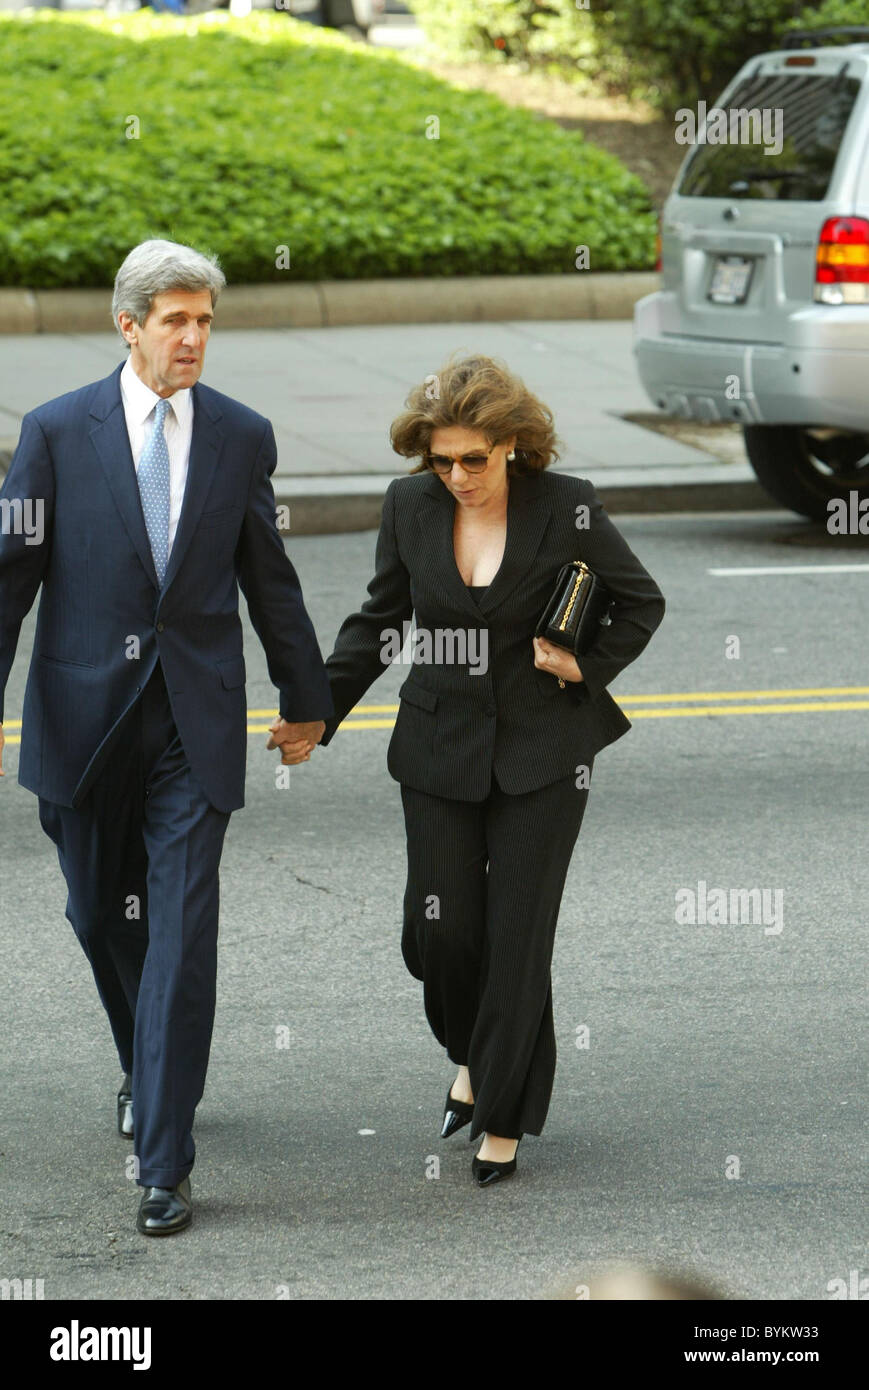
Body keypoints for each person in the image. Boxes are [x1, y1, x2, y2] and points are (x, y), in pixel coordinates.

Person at [0, 238, 332, 1235]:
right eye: (175, 320)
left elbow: (267, 575)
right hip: (83, 722)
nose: (193, 339)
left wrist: (304, 694)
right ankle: (142, 1064)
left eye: (204, 321)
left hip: (194, 721)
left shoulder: (240, 435)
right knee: (102, 916)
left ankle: (163, 1155)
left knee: (182, 937)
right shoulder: (54, 432)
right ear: (128, 325)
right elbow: (10, 577)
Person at [271, 354, 665, 1186]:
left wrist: (581, 667)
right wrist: (319, 710)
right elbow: (380, 621)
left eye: (472, 460)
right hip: (438, 747)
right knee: (441, 933)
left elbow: (640, 601)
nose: (456, 475)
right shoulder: (408, 507)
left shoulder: (567, 505)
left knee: (516, 940)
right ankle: (471, 1053)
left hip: (543, 752)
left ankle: (501, 1115)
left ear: (512, 443)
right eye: (440, 460)